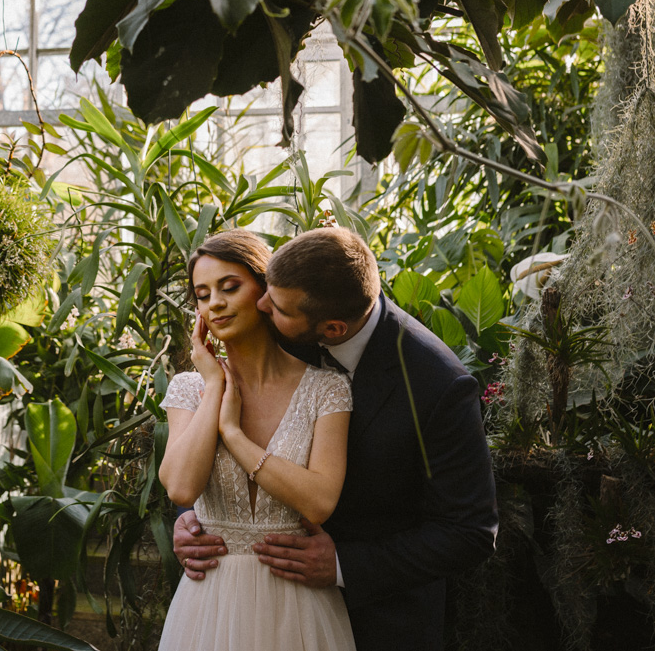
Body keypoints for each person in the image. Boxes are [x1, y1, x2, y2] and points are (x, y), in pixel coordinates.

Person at [173, 226, 498, 651]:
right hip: (242, 606)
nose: (262, 304)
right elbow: (201, 443)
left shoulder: (438, 384)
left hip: (382, 616)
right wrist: (190, 516)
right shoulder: (292, 300)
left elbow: (470, 530)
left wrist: (344, 565)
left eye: (277, 305)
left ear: (331, 328)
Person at [156, 230, 355, 651]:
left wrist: (233, 434)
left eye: (230, 287)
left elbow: (319, 501)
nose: (215, 304)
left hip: (299, 606)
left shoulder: (327, 388)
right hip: (208, 606)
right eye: (202, 294)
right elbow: (181, 486)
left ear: (265, 292)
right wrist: (213, 385)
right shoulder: (190, 389)